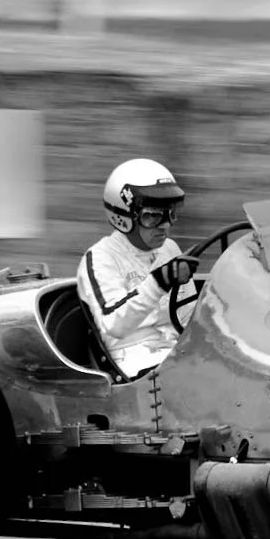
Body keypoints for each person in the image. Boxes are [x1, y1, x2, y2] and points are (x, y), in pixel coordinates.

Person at [77, 158, 198, 379]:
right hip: (133, 361)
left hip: (175, 349)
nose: (165, 225)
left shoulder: (169, 249)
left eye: (170, 214)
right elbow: (113, 323)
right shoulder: (100, 257)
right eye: (152, 216)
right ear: (123, 216)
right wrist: (160, 282)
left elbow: (187, 314)